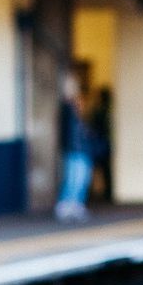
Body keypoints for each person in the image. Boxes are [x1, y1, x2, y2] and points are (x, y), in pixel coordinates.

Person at [55, 74, 94, 222]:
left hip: (81, 149)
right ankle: (67, 205)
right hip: (75, 149)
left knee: (81, 178)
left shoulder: (76, 115)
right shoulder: (68, 109)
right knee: (74, 178)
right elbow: (68, 132)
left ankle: (75, 205)